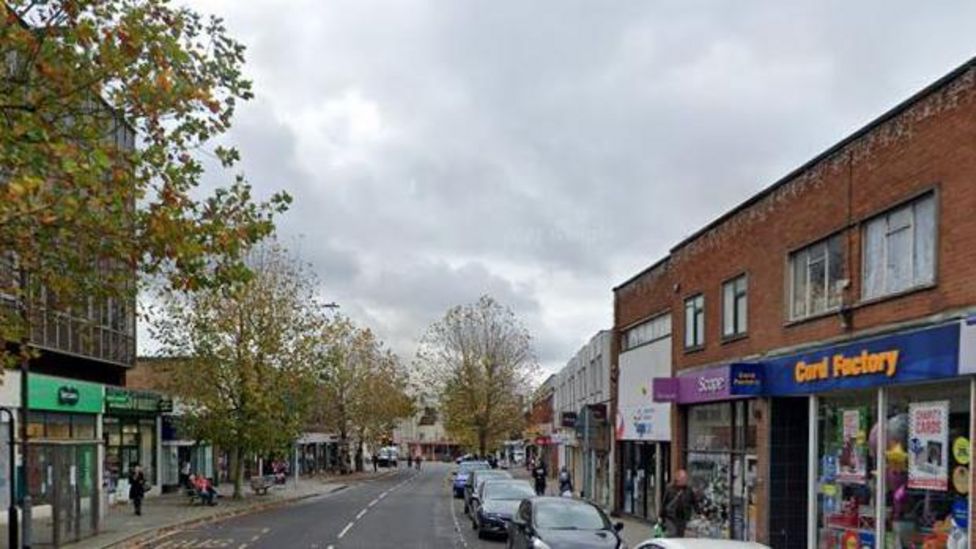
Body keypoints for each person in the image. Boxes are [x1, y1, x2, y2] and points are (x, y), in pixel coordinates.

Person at [660, 470, 700, 537]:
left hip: (683, 518)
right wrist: (661, 516)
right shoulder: (670, 489)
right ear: (678, 478)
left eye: (686, 478)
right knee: (673, 533)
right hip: (671, 517)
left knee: (680, 535)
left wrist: (699, 512)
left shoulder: (688, 490)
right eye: (683, 478)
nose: (685, 480)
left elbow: (694, 502)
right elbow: (664, 503)